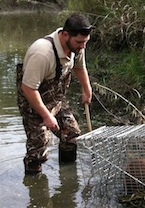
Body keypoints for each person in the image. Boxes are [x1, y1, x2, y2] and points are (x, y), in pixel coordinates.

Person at [16, 13, 92, 174]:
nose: (83, 46)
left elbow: (78, 67)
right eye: (79, 42)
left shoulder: (77, 47)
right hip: (33, 103)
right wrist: (46, 116)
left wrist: (87, 89)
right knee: (38, 151)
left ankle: (68, 180)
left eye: (85, 42)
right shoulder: (42, 53)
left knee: (71, 136)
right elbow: (28, 89)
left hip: (56, 99)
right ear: (65, 35)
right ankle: (35, 188)